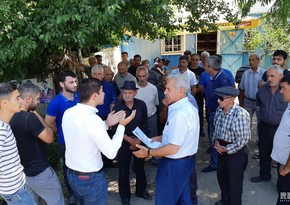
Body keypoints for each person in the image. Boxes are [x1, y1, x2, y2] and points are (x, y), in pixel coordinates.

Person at [62, 78, 135, 205]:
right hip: (90, 178)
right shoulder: (92, 120)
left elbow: (83, 133)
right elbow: (111, 153)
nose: (104, 94)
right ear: (95, 96)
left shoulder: (68, 113)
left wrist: (106, 123)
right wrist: (122, 126)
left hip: (72, 175)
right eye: (102, 91)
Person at [133, 74, 199, 205]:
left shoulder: (180, 114)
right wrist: (157, 138)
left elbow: (173, 147)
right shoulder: (186, 107)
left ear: (181, 90)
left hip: (174, 164)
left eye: (168, 89)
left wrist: (148, 153)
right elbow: (180, 136)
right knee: (184, 199)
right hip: (185, 162)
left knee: (165, 200)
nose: (164, 92)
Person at [10, 81, 64, 205]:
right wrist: (35, 114)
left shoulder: (10, 116)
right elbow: (49, 137)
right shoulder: (29, 118)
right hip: (40, 172)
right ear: (28, 98)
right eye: (37, 99)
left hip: (23, 173)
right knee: (56, 200)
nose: (38, 102)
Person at [112, 80, 152, 205]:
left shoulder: (141, 105)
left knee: (140, 167)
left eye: (130, 92)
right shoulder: (117, 106)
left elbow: (145, 124)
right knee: (123, 169)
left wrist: (138, 140)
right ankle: (125, 196)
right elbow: (115, 128)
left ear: (135, 93)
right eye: (125, 92)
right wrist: (130, 141)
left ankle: (141, 191)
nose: (127, 95)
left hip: (139, 141)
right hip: (124, 142)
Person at [45, 70, 78, 204]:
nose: (75, 84)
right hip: (65, 143)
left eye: (75, 81)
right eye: (71, 82)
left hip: (82, 140)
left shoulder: (79, 96)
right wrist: (59, 131)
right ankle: (72, 195)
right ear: (61, 84)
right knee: (68, 169)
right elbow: (48, 122)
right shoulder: (56, 102)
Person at [250, 65, 287, 183]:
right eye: (267, 76)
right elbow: (258, 105)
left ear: (281, 76)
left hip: (280, 129)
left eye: (272, 76)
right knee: (264, 152)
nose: (269, 78)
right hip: (264, 126)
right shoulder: (262, 90)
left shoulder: (286, 91)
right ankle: (264, 175)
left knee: (281, 156)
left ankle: (282, 182)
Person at [213, 86, 250, 205]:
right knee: (222, 177)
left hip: (236, 151)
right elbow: (216, 129)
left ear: (231, 99)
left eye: (221, 98)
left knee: (234, 181)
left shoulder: (240, 114)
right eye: (217, 98)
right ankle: (225, 200)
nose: (218, 101)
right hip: (221, 148)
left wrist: (227, 149)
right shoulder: (219, 110)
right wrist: (216, 142)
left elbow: (243, 139)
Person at [0, 82, 36, 205]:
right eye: (17, 98)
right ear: (4, 103)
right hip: (16, 192)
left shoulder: (5, 124)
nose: (21, 101)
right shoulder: (1, 130)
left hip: (16, 188)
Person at [199, 55, 233, 173]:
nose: (203, 66)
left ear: (211, 67)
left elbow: (226, 100)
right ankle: (217, 162)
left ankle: (216, 164)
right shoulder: (212, 77)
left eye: (205, 64)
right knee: (213, 137)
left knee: (216, 138)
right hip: (211, 111)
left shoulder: (222, 79)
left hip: (218, 113)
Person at [271, 74, 290, 205]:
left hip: (287, 167)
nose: (281, 91)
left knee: (285, 198)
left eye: (283, 88)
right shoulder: (289, 104)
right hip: (283, 162)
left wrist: (287, 167)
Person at [239, 54, 265, 129]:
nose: (251, 62)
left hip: (260, 102)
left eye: (253, 60)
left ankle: (260, 140)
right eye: (249, 60)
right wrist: (241, 102)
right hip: (248, 101)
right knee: (246, 122)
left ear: (258, 61)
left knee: (261, 123)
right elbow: (242, 89)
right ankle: (246, 139)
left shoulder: (263, 73)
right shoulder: (246, 73)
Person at [189, 53, 206, 136]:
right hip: (188, 95)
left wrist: (198, 89)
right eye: (193, 59)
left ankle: (200, 129)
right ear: (190, 60)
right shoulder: (187, 70)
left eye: (196, 60)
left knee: (199, 112)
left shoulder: (202, 71)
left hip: (199, 95)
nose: (195, 62)